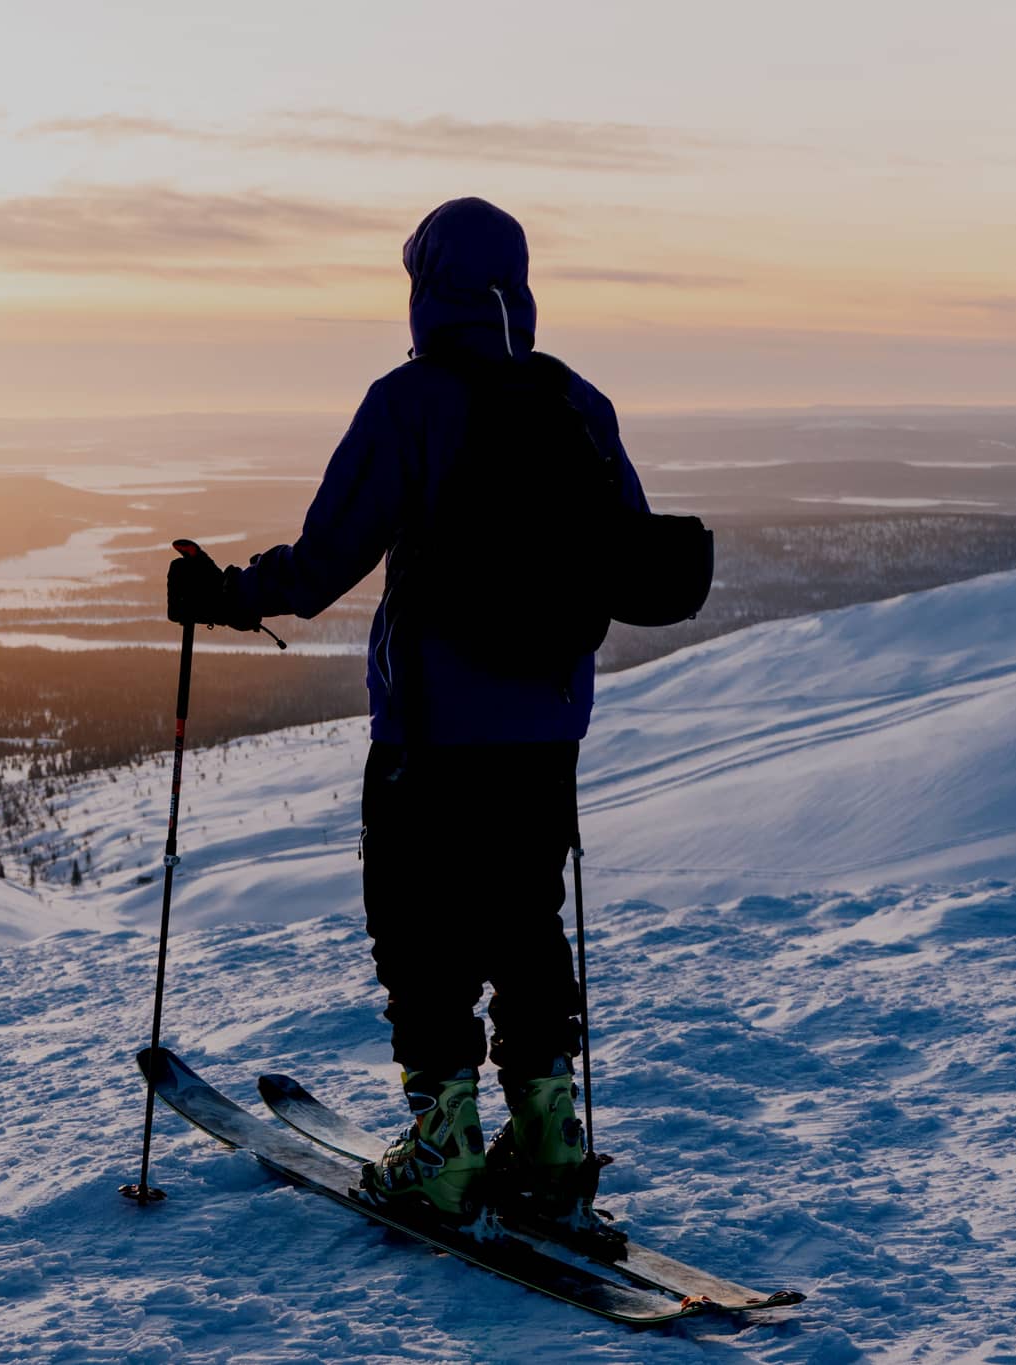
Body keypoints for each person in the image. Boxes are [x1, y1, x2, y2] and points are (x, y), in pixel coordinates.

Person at [166, 197, 651, 1233]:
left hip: (430, 731)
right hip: (545, 728)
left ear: (423, 288)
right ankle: (550, 1142)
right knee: (524, 922)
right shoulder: (575, 402)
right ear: (516, 286)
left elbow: (323, 562)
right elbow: (630, 551)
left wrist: (223, 595)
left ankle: (440, 1151)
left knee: (420, 927)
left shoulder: (407, 402)